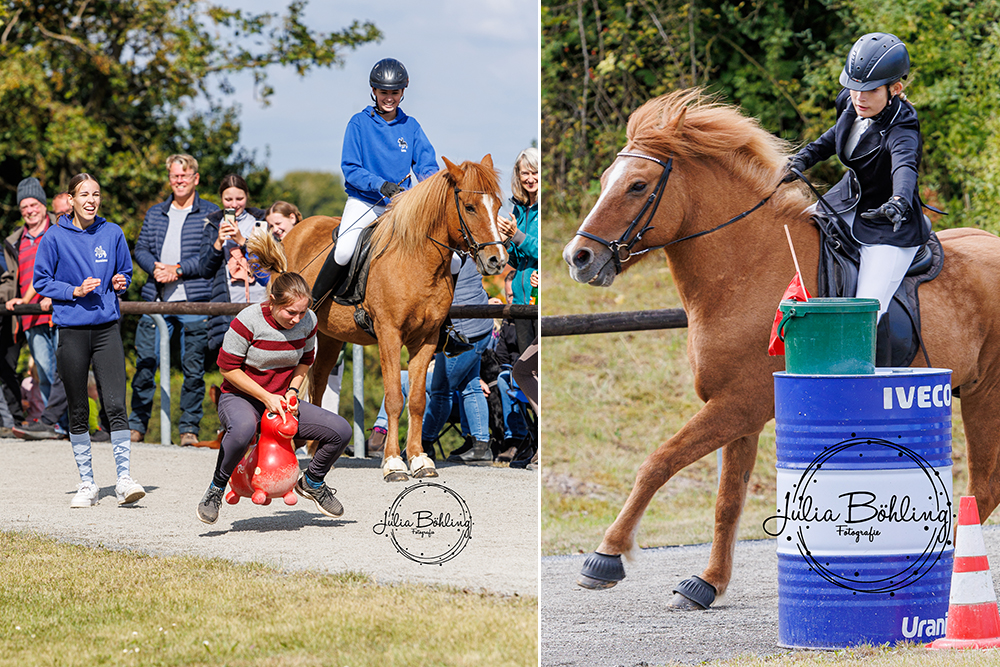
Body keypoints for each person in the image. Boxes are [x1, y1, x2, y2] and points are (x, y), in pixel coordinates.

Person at [196, 233, 352, 525]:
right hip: (241, 397)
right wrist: (266, 397)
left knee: (340, 431)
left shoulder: (308, 321)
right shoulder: (247, 321)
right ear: (272, 302)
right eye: (291, 312)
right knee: (243, 430)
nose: (297, 319)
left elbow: (305, 361)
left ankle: (313, 482)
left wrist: (292, 391)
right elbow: (228, 369)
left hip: (282, 400)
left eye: (303, 312)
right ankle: (216, 488)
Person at [783, 32, 926, 321]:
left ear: (895, 88)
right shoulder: (854, 102)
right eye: (853, 88)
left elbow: (904, 167)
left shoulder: (903, 129)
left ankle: (860, 360)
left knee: (863, 312)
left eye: (871, 91)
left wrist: (899, 200)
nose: (859, 98)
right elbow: (836, 135)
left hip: (888, 225)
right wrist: (803, 158)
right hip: (845, 202)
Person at [33, 172, 145, 508]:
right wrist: (72, 291)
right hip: (72, 330)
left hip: (107, 328)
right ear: (71, 200)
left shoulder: (112, 233)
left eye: (96, 194)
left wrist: (121, 281)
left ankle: (124, 479)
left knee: (115, 404)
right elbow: (41, 281)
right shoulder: (54, 237)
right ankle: (88, 483)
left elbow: (124, 271)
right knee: (79, 408)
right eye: (84, 194)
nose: (91, 200)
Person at [311, 57, 439, 301]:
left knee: (448, 257)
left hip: (401, 206)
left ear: (403, 92)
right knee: (344, 250)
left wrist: (429, 189)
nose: (389, 98)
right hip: (365, 201)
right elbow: (351, 168)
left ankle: (442, 321)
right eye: (383, 92)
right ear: (373, 91)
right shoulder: (358, 124)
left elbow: (427, 167)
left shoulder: (411, 126)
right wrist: (380, 185)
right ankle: (312, 306)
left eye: (395, 92)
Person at [129, 154, 219, 445]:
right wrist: (154, 267)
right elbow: (140, 247)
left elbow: (209, 257)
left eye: (184, 176)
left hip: (193, 300)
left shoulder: (210, 213)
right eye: (174, 176)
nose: (179, 181)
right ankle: (136, 426)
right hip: (156, 299)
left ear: (196, 178)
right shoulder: (156, 212)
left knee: (193, 370)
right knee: (146, 363)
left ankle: (189, 430)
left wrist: (178, 270)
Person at [3, 177, 58, 408]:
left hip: (59, 311)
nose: (29, 211)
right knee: (43, 373)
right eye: (24, 206)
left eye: (33, 204)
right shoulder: (15, 242)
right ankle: (51, 425)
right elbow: (10, 280)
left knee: (66, 373)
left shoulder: (60, 229)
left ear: (44, 205)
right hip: (30, 316)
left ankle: (71, 426)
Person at [199, 173, 268, 350]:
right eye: (228, 199)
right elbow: (205, 270)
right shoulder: (213, 225)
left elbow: (268, 261)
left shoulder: (260, 221)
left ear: (247, 196)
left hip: (259, 300)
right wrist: (218, 243)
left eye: (240, 198)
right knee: (231, 359)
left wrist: (242, 241)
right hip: (227, 302)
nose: (234, 204)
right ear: (221, 198)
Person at [499, 147, 539, 352]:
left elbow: (542, 250)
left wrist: (516, 235)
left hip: (538, 299)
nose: (530, 178)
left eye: (535, 172)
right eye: (525, 173)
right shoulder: (519, 209)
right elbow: (516, 261)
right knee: (526, 366)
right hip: (520, 301)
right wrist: (507, 241)